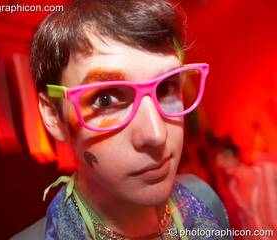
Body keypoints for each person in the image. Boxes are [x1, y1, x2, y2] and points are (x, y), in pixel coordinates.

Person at [12, 0, 231, 239]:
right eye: (105, 99)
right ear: (54, 116)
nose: (157, 135)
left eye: (166, 87)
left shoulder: (204, 200)